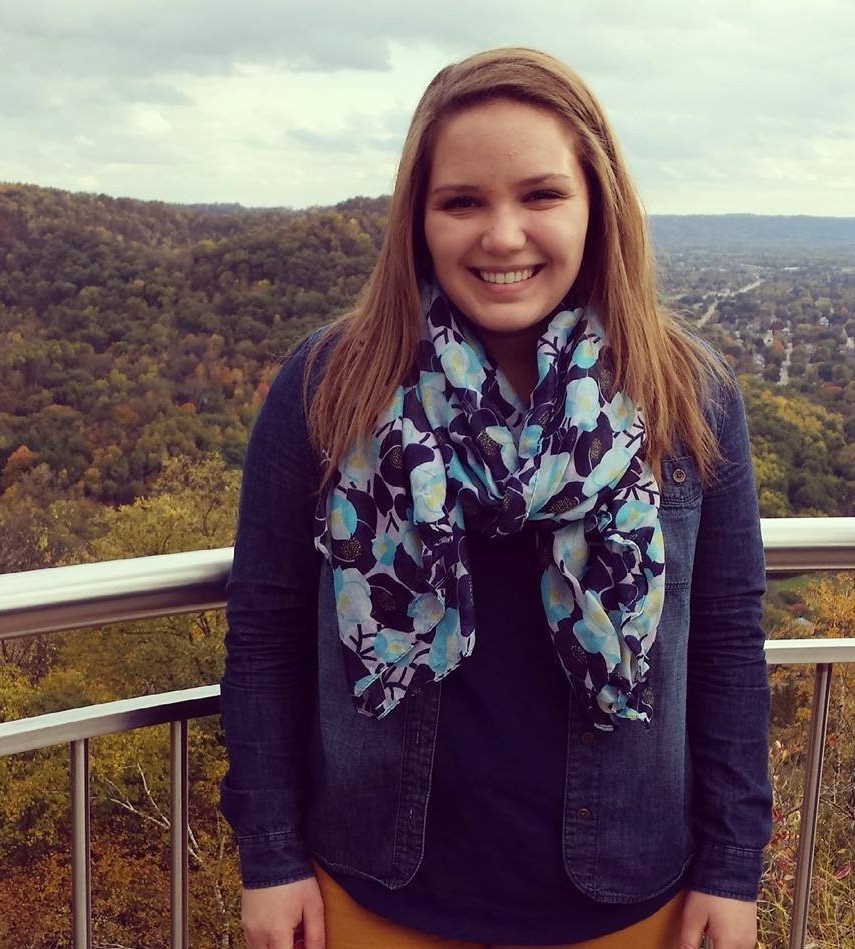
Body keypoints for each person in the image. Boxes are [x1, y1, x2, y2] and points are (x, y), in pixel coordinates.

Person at [221, 47, 772, 949]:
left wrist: (730, 865)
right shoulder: (330, 383)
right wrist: (272, 855)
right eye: (463, 201)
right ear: (418, 218)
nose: (503, 235)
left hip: (627, 895)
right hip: (374, 888)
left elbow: (725, 643)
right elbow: (267, 628)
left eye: (541, 196)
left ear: (599, 207)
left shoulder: (687, 391)